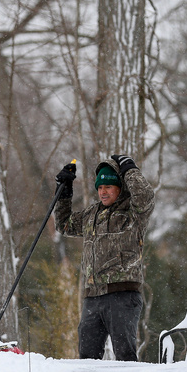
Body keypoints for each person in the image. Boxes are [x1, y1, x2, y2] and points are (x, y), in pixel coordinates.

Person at [54, 154, 156, 360]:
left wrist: (129, 169)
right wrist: (64, 192)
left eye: (108, 187)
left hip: (123, 294)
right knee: (87, 357)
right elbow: (64, 225)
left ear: (120, 187)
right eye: (100, 188)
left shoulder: (132, 212)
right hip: (92, 297)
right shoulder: (92, 214)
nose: (103, 192)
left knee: (125, 355)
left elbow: (145, 197)